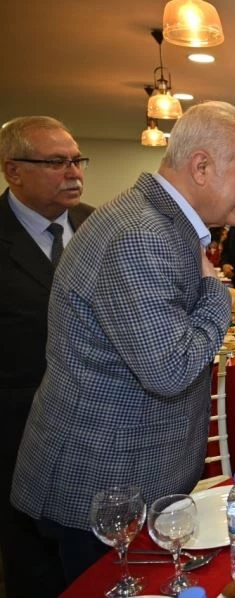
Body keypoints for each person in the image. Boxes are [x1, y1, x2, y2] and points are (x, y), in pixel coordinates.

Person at [10, 101, 235, 583]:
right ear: (202, 167)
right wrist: (217, 293)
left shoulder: (159, 222)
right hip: (103, 491)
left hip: (125, 479)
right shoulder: (141, 234)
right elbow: (170, 371)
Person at [0, 116, 93, 597]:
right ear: (12, 170)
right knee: (33, 566)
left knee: (95, 559)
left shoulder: (99, 226)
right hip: (19, 433)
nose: (74, 172)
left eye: (77, 160)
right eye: (56, 162)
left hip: (98, 430)